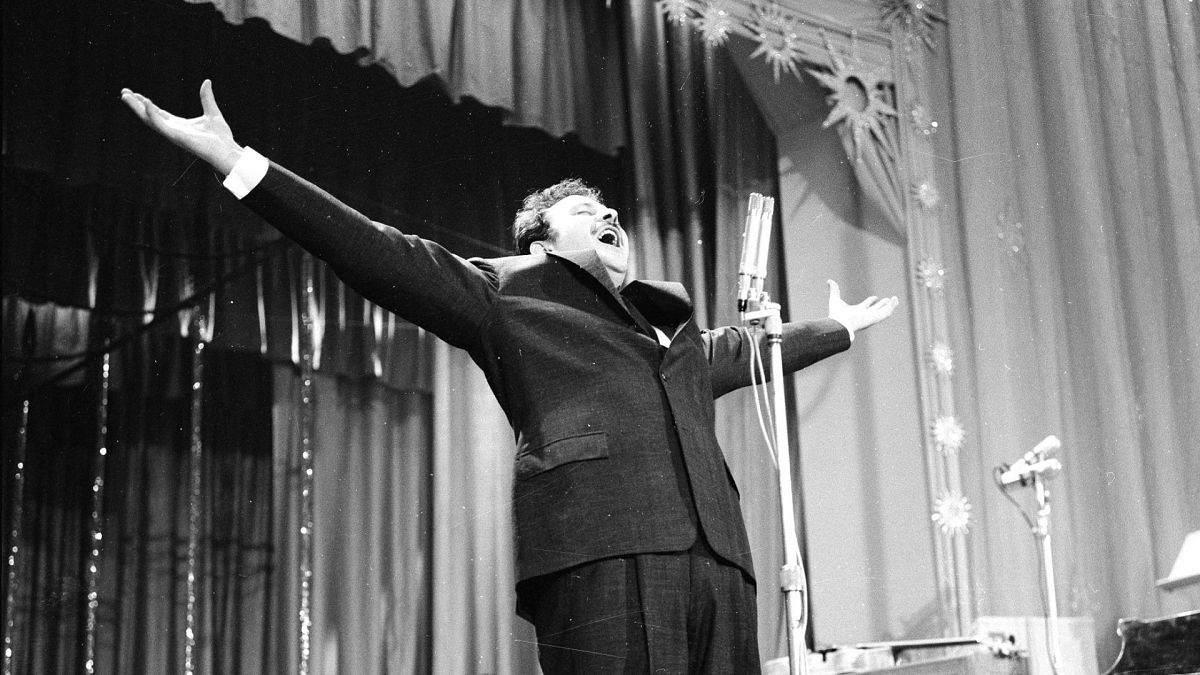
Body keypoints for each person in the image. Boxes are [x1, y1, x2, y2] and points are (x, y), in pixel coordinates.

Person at [121, 80, 899, 673]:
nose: (608, 215)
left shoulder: (677, 328)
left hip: (723, 569)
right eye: (584, 209)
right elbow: (375, 250)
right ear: (538, 241)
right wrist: (240, 163)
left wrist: (841, 328)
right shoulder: (509, 292)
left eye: (609, 209)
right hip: (602, 555)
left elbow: (751, 349)